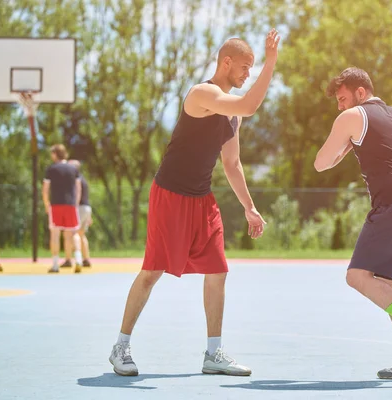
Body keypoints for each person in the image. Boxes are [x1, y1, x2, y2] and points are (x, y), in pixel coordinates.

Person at [108, 29, 280, 377]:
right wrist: (272, 61)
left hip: (202, 198)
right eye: (245, 66)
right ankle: (120, 347)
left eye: (253, 67)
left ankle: (213, 354)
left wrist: (249, 206)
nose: (248, 72)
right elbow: (249, 103)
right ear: (226, 62)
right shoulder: (203, 94)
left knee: (218, 271)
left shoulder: (233, 115)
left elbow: (231, 163)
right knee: (152, 272)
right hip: (170, 193)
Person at [314, 67, 392, 380]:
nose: (340, 106)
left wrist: (346, 144)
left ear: (361, 92)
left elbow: (320, 163)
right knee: (389, 284)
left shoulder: (353, 116)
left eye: (343, 98)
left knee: (357, 276)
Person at [42, 144, 82, 273]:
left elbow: (45, 189)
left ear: (55, 154)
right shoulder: (73, 169)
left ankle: (55, 265)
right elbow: (78, 188)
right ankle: (79, 259)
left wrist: (46, 204)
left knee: (55, 234)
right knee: (73, 233)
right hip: (70, 204)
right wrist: (75, 203)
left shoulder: (51, 169)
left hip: (56, 205)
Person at [68, 159, 92, 267]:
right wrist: (89, 215)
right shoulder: (84, 179)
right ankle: (86, 259)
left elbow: (76, 195)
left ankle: (74, 259)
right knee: (82, 234)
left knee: (74, 233)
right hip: (86, 207)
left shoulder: (75, 180)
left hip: (79, 207)